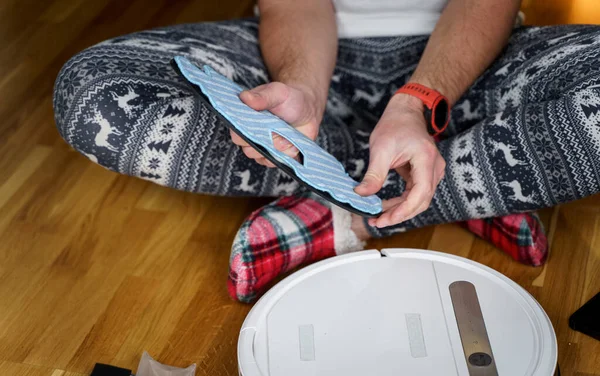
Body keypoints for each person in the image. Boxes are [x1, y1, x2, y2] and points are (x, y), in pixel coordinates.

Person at [53, 0, 600, 303]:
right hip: (314, 63)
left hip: (464, 70)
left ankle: (346, 211)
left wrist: (418, 103)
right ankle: (473, 182)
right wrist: (302, 91)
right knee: (93, 93)